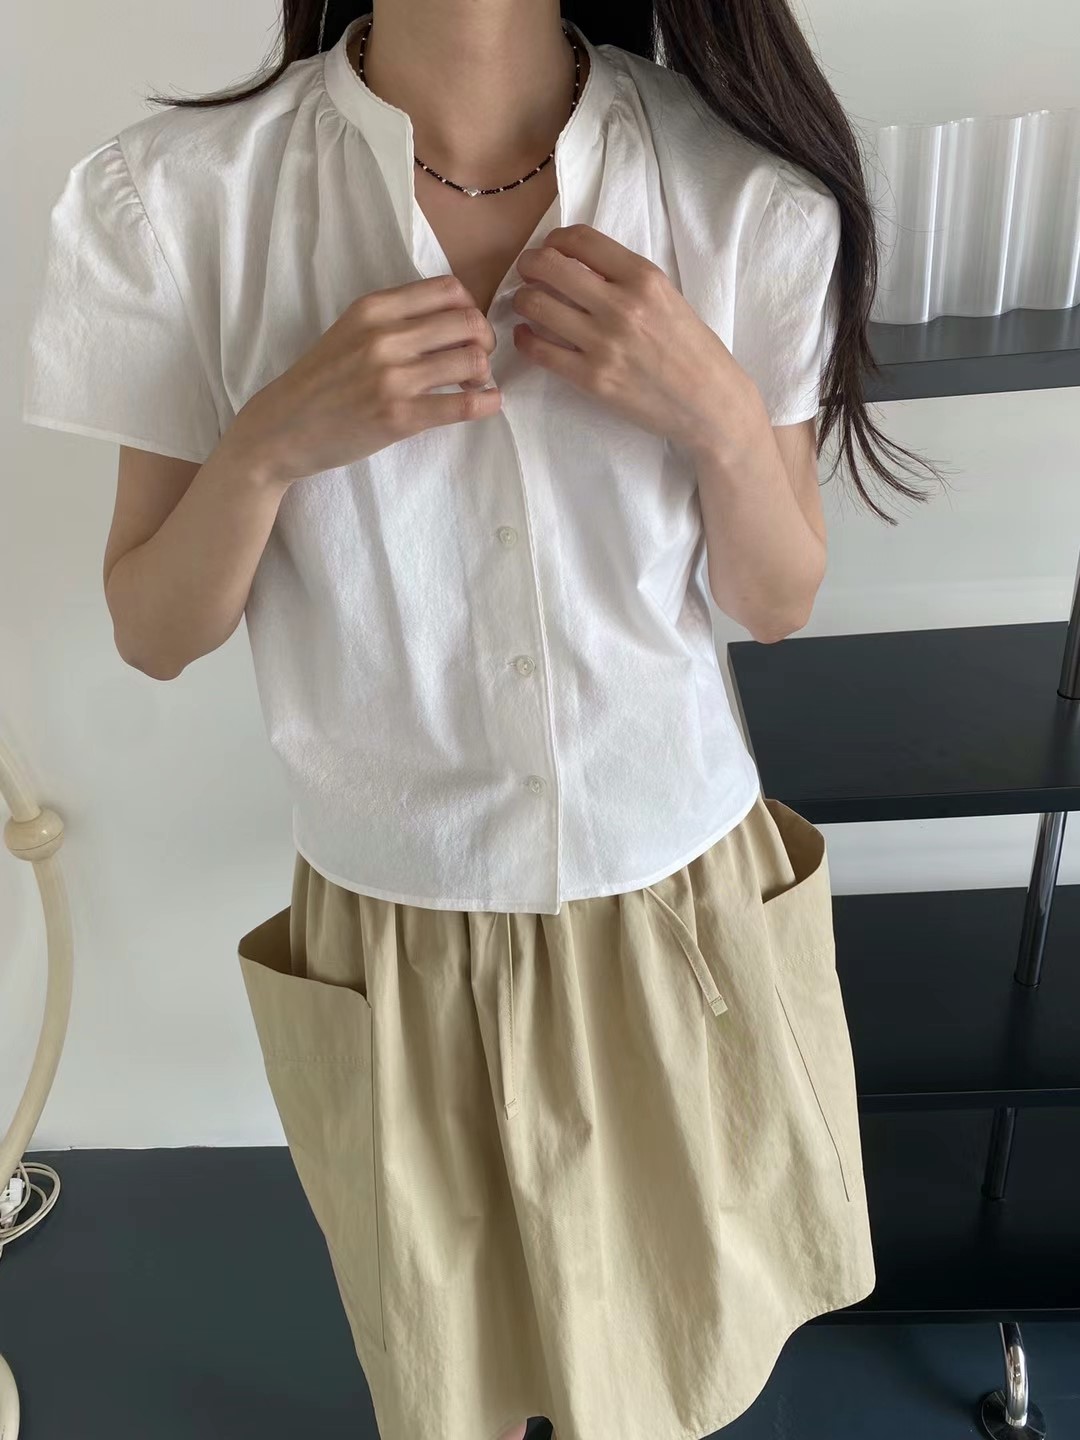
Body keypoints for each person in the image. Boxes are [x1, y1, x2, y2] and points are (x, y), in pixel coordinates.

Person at [21, 3, 944, 1438]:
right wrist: (271, 443)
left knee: (674, 1367)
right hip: (397, 933)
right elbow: (155, 628)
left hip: (673, 906)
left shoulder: (738, 191)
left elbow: (776, 598)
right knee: (456, 1382)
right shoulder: (175, 202)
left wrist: (712, 408)